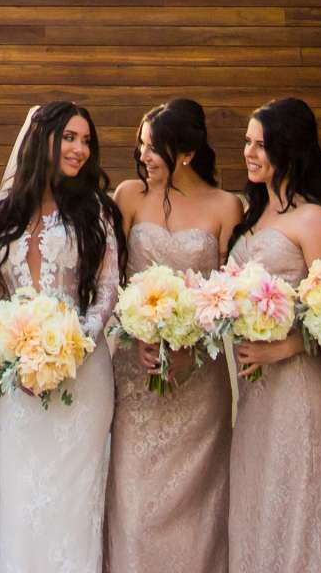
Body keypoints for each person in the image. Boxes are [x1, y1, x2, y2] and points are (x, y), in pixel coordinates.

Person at [0, 101, 123, 573]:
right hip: (16, 377)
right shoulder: (0, 209)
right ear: (43, 140)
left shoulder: (97, 210)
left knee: (73, 503)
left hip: (83, 374)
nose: (80, 149)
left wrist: (73, 347)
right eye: (70, 138)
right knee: (20, 499)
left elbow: (107, 290)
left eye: (86, 140)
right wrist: (17, 351)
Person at [227, 97, 321, 573]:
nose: (249, 152)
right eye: (247, 142)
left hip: (300, 385)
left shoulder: (314, 220)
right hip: (255, 391)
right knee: (261, 498)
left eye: (261, 144)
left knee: (300, 495)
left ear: (288, 148)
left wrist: (287, 346)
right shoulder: (250, 216)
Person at [106, 99, 241, 573]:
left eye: (152, 147)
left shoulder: (227, 206)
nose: (143, 155)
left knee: (197, 501)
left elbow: (228, 294)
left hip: (199, 375)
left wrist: (191, 346)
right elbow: (111, 283)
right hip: (134, 371)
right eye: (140, 145)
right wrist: (133, 329)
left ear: (184, 151)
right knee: (136, 500)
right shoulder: (128, 196)